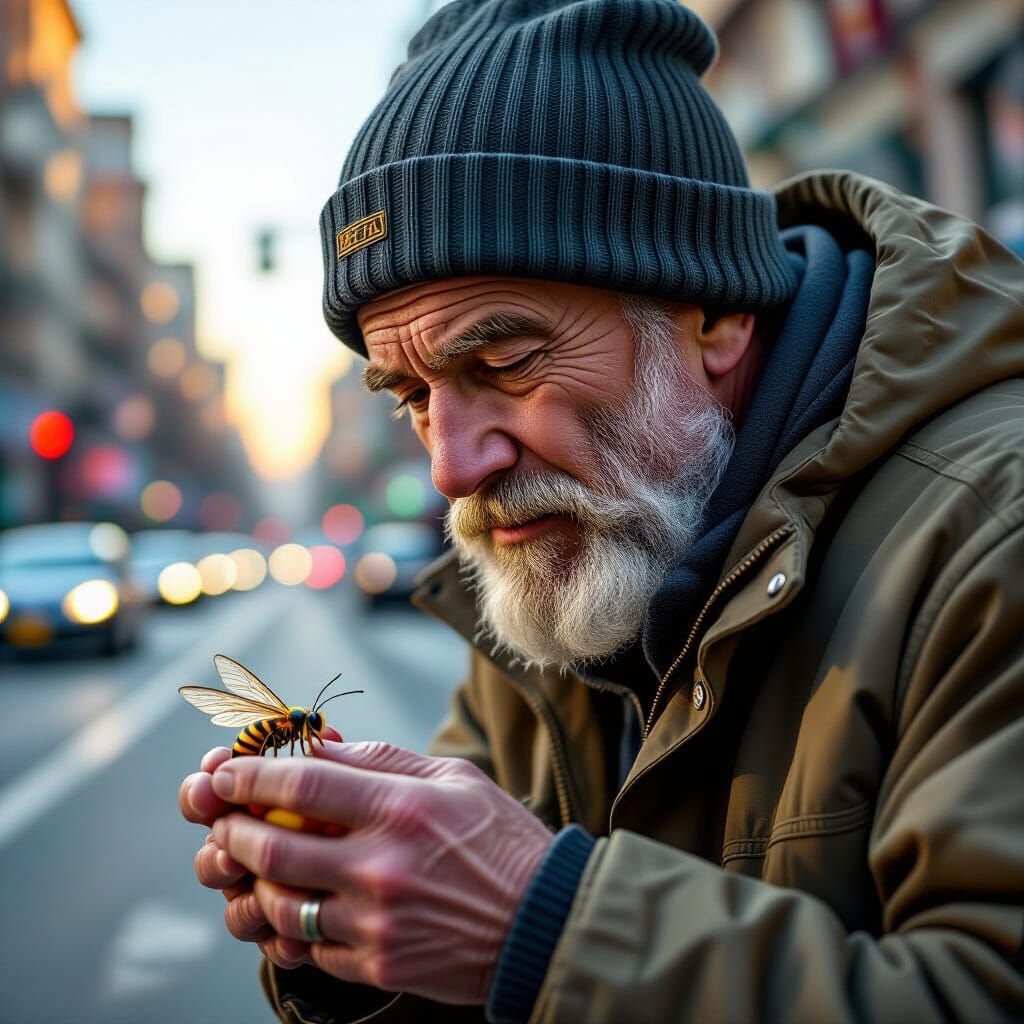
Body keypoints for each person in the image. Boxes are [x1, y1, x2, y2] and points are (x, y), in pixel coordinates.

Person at [178, 0, 1024, 1020]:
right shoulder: (564, 561)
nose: (451, 466)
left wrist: (539, 926)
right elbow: (469, 941)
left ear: (711, 312)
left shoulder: (991, 531)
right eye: (410, 398)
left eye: (504, 361)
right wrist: (353, 923)